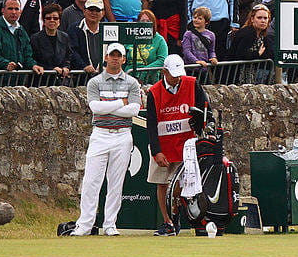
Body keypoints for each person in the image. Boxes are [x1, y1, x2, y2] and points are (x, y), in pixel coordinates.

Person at [70, 42, 142, 237]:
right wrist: (121, 103)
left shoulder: (132, 83)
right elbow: (95, 108)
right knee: (91, 181)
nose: (115, 58)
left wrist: (108, 105)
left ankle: (110, 224)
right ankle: (84, 225)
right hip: (100, 133)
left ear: (124, 59)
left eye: (119, 56)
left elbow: (134, 110)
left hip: (123, 135)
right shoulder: (94, 82)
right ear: (106, 57)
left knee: (116, 182)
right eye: (112, 55)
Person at [145, 54, 208, 237]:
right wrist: (156, 151)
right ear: (164, 71)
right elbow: (151, 124)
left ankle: (177, 215)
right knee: (162, 184)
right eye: (173, 74)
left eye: (179, 73)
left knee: (181, 184)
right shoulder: (154, 92)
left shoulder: (192, 83)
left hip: (187, 145)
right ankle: (167, 222)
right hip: (163, 146)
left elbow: (205, 109)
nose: (177, 78)